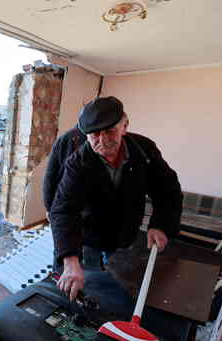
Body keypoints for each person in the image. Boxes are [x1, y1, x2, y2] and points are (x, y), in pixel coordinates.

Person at [45, 96, 182, 300]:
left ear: (124, 126)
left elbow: (167, 189)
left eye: (109, 131)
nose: (102, 141)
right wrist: (71, 261)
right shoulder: (78, 161)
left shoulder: (145, 150)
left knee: (119, 284)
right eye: (94, 135)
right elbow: (64, 209)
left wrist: (160, 224)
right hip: (87, 231)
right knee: (85, 283)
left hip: (125, 231)